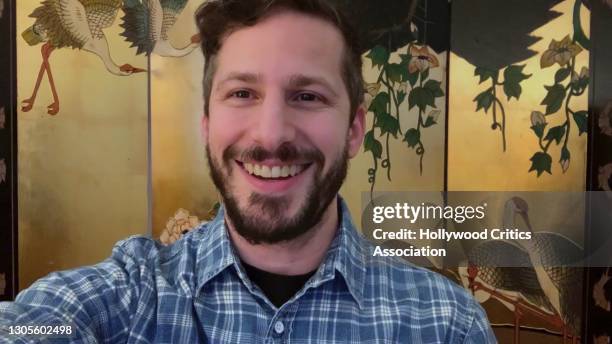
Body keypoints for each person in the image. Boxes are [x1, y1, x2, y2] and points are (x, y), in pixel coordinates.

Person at [0, 0, 496, 342]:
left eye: (307, 96)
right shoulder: (132, 298)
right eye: (242, 93)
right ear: (207, 122)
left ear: (354, 128)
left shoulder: (447, 325)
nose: (270, 134)